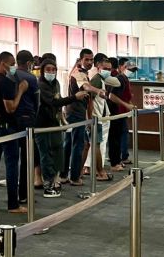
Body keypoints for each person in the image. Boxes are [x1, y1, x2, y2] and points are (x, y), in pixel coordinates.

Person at [37, 60, 88, 197]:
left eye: (53, 69)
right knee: (46, 155)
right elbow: (53, 102)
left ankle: (56, 179)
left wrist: (62, 119)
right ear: (42, 70)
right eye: (48, 69)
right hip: (42, 125)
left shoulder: (56, 84)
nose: (51, 72)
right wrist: (74, 97)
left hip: (55, 123)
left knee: (58, 150)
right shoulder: (40, 85)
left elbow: (58, 103)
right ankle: (48, 185)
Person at [0, 52, 27, 216]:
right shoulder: (6, 82)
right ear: (3, 63)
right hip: (7, 129)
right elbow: (10, 108)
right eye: (11, 63)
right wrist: (21, 91)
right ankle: (13, 204)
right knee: (11, 166)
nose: (14, 67)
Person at [61, 49, 102, 186]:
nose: (90, 62)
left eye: (91, 59)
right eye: (87, 59)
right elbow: (86, 87)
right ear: (81, 60)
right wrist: (98, 90)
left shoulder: (81, 72)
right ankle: (74, 177)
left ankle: (63, 175)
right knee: (78, 145)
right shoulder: (78, 73)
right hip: (75, 114)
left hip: (74, 112)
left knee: (68, 144)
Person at [84, 54, 117, 181]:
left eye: (109, 69)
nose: (108, 71)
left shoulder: (101, 79)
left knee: (91, 145)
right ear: (98, 67)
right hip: (95, 118)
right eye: (105, 68)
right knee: (96, 145)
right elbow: (89, 100)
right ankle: (100, 172)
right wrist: (90, 118)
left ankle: (83, 171)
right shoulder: (97, 80)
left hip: (97, 117)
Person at [13, 51, 40, 198]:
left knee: (11, 159)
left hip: (13, 120)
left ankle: (12, 196)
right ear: (29, 63)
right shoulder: (31, 78)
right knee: (27, 158)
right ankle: (24, 194)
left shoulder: (10, 75)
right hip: (27, 120)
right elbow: (37, 102)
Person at [116, 58, 137, 165]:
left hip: (123, 111)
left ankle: (121, 156)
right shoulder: (120, 79)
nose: (131, 72)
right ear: (120, 67)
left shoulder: (125, 79)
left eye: (133, 70)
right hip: (118, 111)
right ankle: (120, 157)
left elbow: (126, 96)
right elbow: (114, 96)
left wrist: (130, 104)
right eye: (129, 69)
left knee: (123, 133)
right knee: (121, 134)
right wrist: (126, 105)